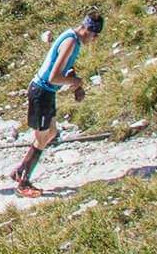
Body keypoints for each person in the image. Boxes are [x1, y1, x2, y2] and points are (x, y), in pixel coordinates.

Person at [12, 14, 102, 196]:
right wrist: (76, 82)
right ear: (88, 31)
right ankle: (23, 183)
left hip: (47, 92)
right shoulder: (70, 42)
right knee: (42, 138)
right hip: (42, 91)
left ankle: (20, 170)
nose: (94, 40)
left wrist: (75, 83)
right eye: (94, 36)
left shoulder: (73, 39)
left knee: (51, 132)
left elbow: (67, 66)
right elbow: (54, 77)